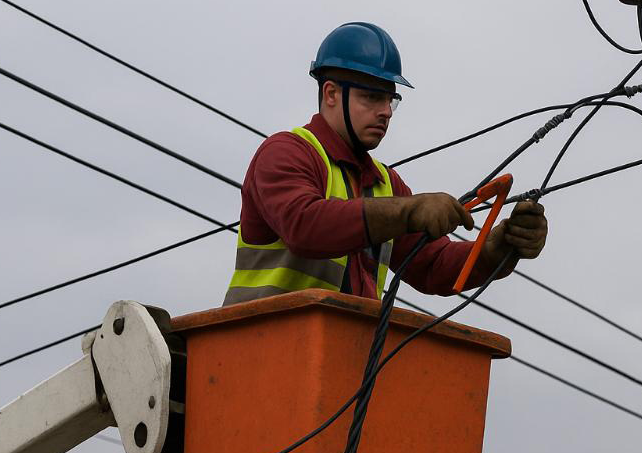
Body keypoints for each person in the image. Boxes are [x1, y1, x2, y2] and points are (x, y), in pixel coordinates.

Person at [223, 21, 548, 306]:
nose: (386, 112)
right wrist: (407, 211)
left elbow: (432, 265)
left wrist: (496, 248)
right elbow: (304, 226)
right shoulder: (287, 152)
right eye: (371, 97)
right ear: (331, 93)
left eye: (390, 100)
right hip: (257, 353)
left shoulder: (385, 183)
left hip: (339, 360)